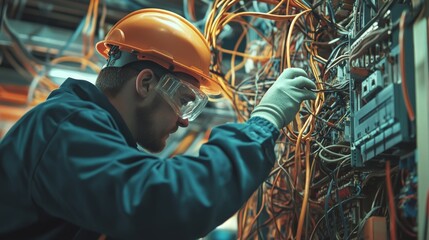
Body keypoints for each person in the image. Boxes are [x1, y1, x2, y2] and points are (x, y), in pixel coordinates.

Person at [0, 8, 316, 240]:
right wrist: (264, 123)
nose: (182, 119)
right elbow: (165, 202)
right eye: (183, 99)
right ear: (146, 83)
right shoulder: (63, 129)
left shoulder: (78, 130)